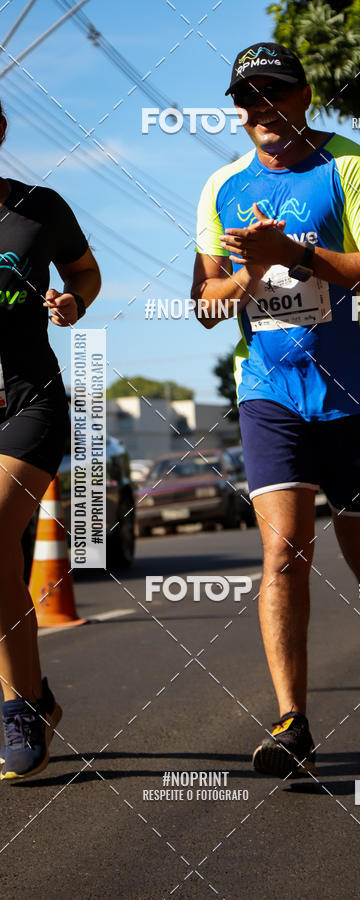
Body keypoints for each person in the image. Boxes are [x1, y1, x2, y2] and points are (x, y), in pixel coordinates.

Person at [193, 42, 360, 778]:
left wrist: (299, 251)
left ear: (305, 94)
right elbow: (204, 305)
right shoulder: (222, 186)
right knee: (284, 554)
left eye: (276, 94)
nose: (263, 111)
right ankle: (293, 722)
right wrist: (250, 273)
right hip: (268, 393)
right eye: (249, 99)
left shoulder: (348, 166)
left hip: (357, 395)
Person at [0, 102, 101, 780]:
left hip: (29, 403)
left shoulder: (40, 208)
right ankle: (32, 697)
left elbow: (85, 273)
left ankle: (16, 708)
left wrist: (73, 303)